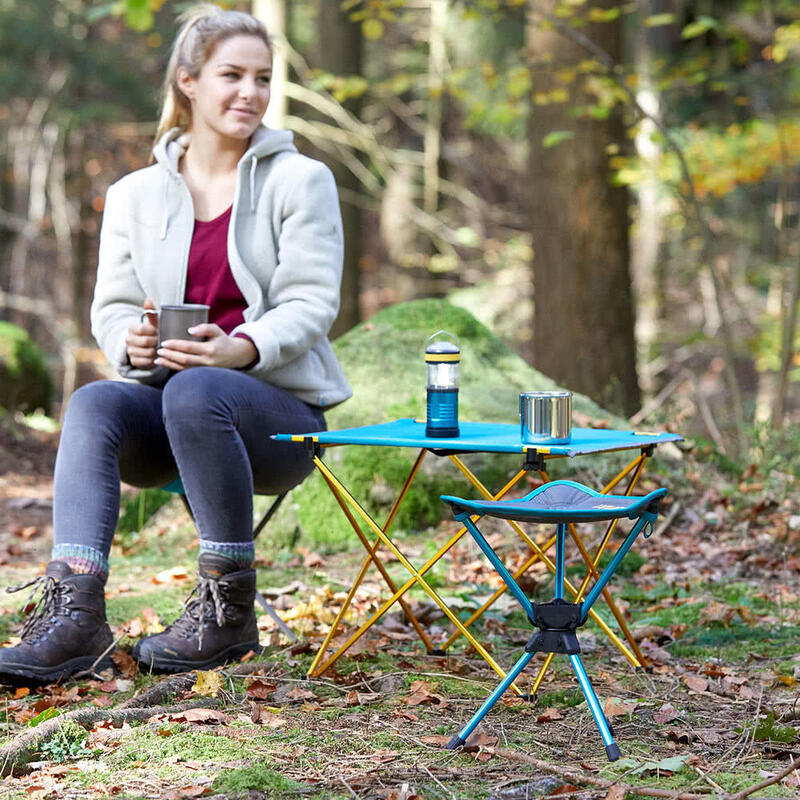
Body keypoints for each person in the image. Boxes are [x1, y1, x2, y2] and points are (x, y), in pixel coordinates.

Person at [0, 4, 351, 681]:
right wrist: (129, 341)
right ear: (188, 82)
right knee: (98, 403)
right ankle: (76, 620)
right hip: (169, 415)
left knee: (198, 387)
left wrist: (238, 349)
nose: (250, 93)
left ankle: (227, 614)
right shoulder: (134, 196)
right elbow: (111, 309)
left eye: (262, 78)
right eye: (232, 75)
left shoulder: (301, 181)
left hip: (275, 422)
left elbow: (312, 304)